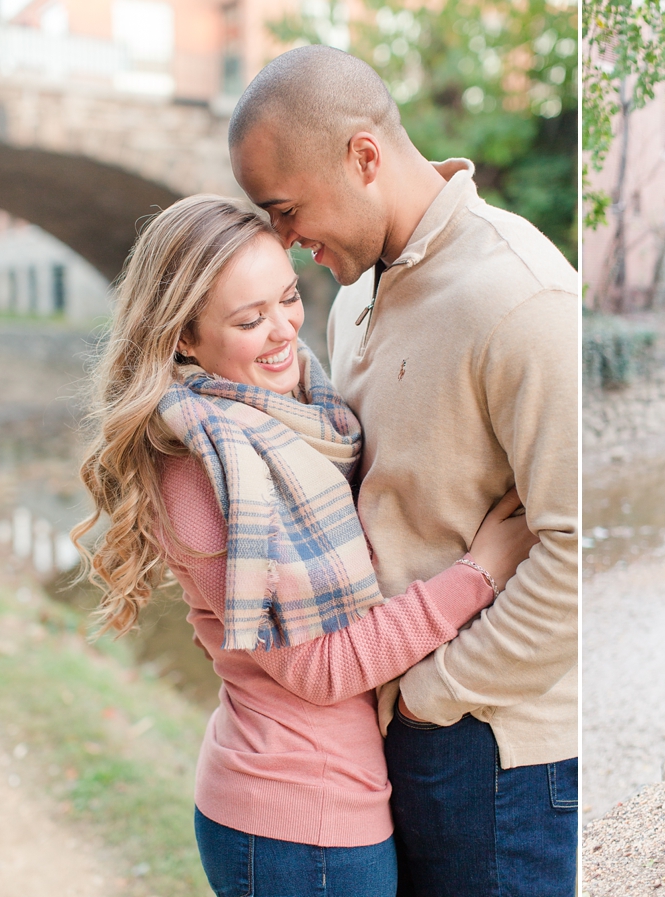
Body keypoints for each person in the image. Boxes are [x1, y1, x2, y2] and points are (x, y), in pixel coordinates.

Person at [73, 194, 539, 897]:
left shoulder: (289, 420)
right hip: (300, 824)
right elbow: (319, 667)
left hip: (305, 802)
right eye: (248, 318)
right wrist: (482, 571)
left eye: (287, 298)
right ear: (185, 339)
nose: (283, 329)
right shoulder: (212, 466)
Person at [227, 46, 578, 896]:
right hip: (390, 731)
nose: (282, 241)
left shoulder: (521, 297)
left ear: (364, 158)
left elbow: (579, 553)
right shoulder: (354, 294)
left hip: (493, 756)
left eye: (284, 209)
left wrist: (433, 696)